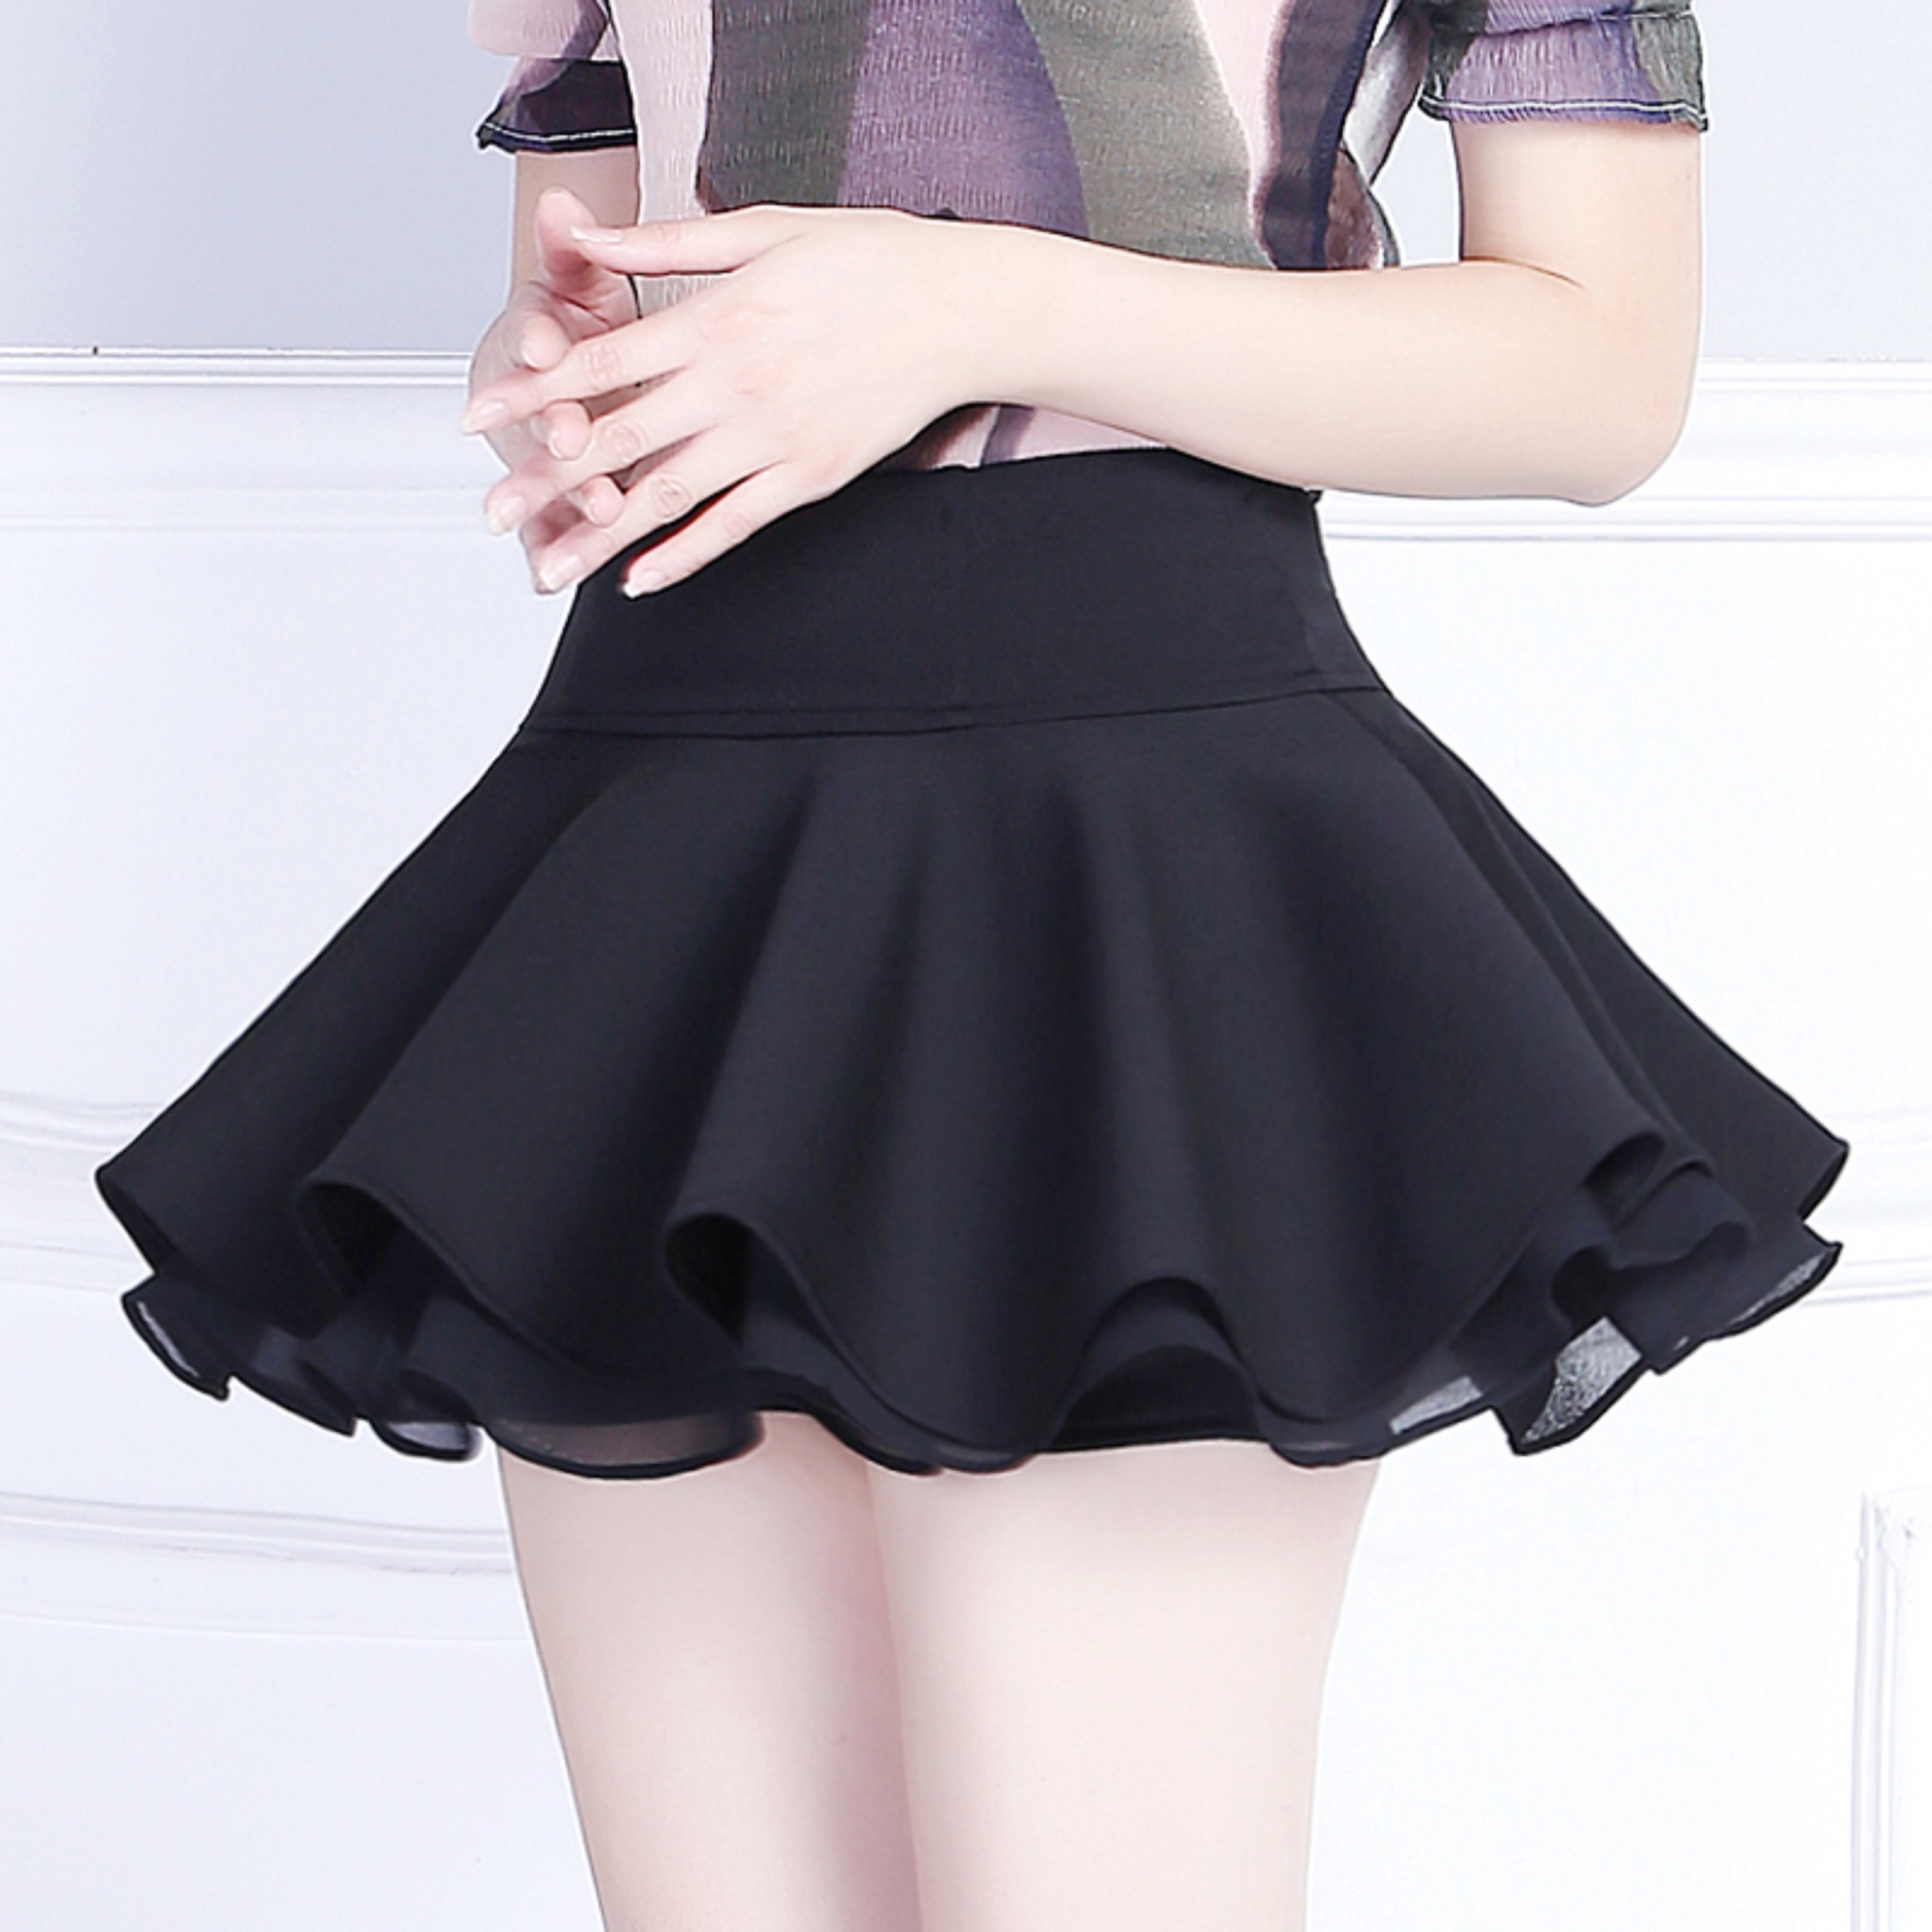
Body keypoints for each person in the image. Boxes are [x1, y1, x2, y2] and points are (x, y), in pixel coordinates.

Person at [94, 1, 1851, 1929]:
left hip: (1128, 859)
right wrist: (572, 373)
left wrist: (985, 309)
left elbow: (1599, 371)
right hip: (664, 828)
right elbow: (610, 236)